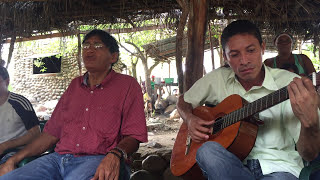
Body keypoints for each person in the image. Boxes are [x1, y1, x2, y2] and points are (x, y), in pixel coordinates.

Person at [176, 20, 320, 179]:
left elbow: (309, 154)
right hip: (230, 166)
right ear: (225, 56)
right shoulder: (217, 78)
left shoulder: (290, 84)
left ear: (263, 48)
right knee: (206, 150)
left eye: (251, 50)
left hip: (278, 168)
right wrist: (189, 119)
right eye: (234, 54)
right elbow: (184, 101)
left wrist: (310, 124)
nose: (244, 61)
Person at [0, 29, 147, 180]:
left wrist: (116, 154)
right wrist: (13, 159)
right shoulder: (74, 86)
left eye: (97, 45)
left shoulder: (127, 85)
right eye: (86, 45)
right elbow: (50, 134)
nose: (89, 49)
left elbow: (134, 136)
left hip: (97, 159)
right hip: (57, 160)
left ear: (113, 56)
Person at [0, 66, 40, 165]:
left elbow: (36, 133)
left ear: (7, 81)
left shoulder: (19, 103)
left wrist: (6, 145)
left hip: (16, 152)